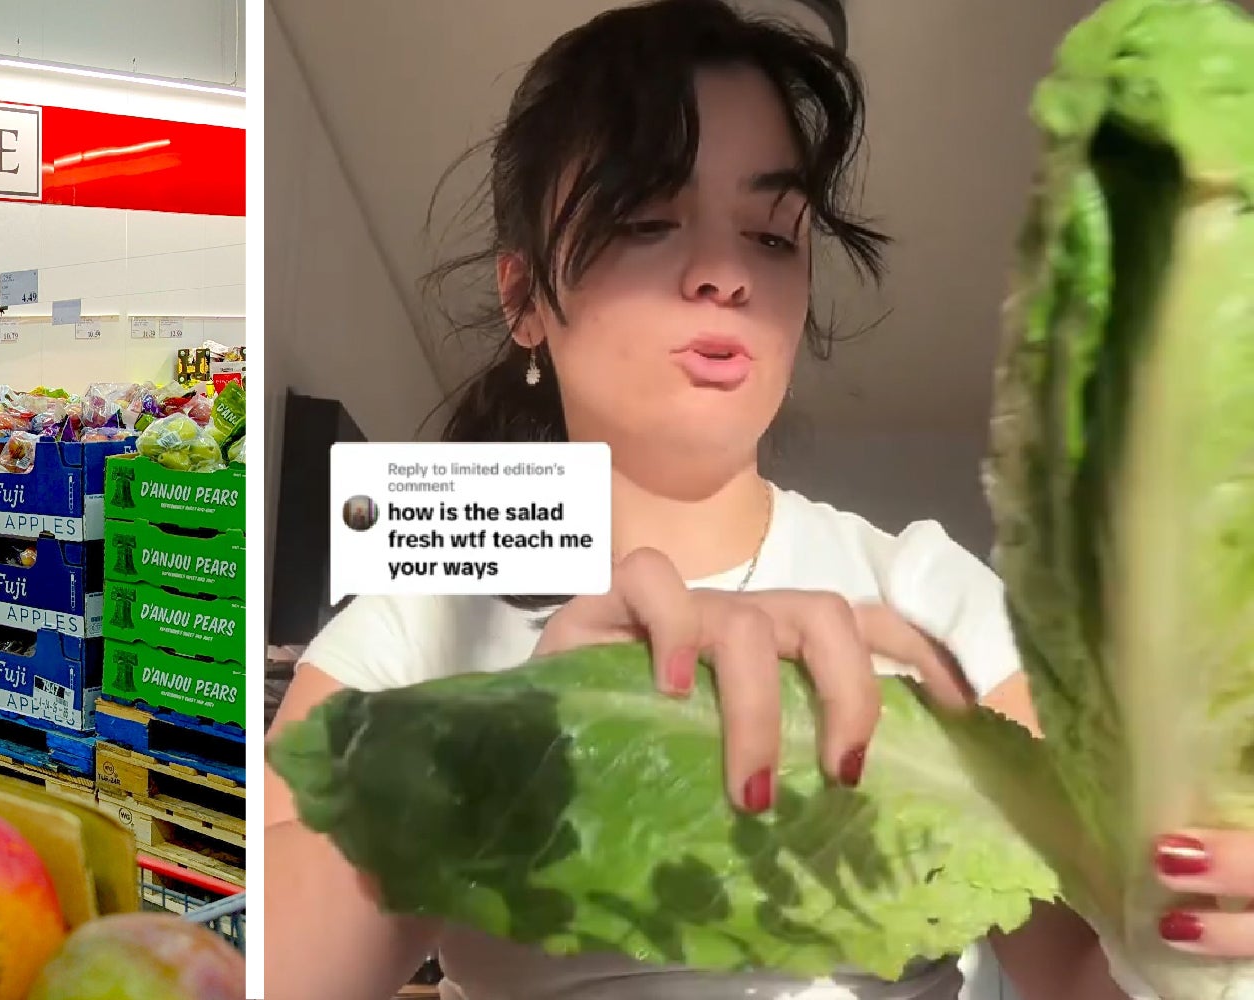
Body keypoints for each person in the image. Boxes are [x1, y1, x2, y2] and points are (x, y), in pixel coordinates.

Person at [263, 2, 1252, 998]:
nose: (724, 274)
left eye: (771, 236)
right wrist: (500, 750)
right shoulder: (421, 621)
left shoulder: (920, 591)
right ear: (522, 297)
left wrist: (1197, 926)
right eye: (645, 221)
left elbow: (1084, 970)